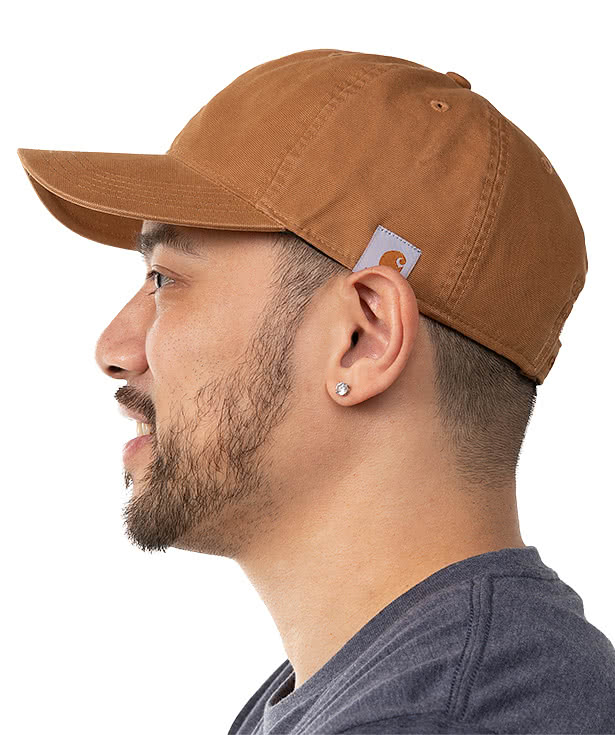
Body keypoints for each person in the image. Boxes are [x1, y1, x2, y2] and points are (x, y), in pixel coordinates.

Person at [17, 49, 615, 734]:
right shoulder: (433, 679)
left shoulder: (429, 716)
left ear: (363, 337)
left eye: (166, 280)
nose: (114, 350)